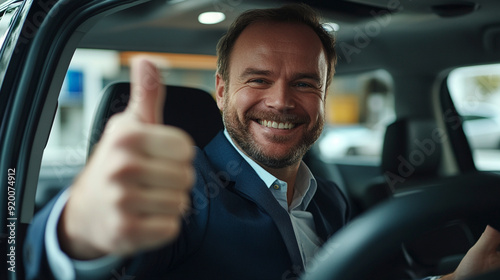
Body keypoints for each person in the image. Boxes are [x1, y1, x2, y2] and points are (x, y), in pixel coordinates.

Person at [23, 4, 500, 280]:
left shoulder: (329, 200)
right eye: (258, 79)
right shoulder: (183, 192)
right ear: (221, 89)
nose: (281, 101)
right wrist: (75, 233)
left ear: (324, 94)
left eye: (305, 84)